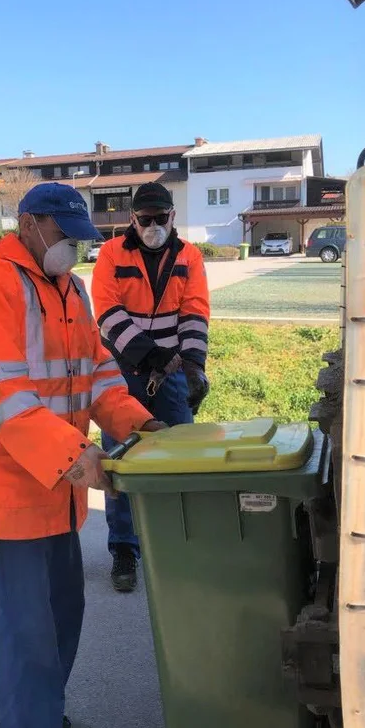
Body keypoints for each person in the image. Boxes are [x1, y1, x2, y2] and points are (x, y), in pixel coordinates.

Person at [0, 182, 163, 728]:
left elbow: (97, 373)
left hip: (57, 495)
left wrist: (138, 424)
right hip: (13, 492)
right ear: (29, 224)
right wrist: (78, 457)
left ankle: (46, 718)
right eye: (64, 233)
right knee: (29, 638)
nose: (73, 246)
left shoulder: (66, 291)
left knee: (64, 621)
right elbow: (5, 396)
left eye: (78, 236)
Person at [91, 182, 210, 592]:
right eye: (146, 219)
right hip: (123, 372)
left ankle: (182, 541)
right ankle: (124, 548)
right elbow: (107, 313)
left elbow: (194, 312)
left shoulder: (189, 256)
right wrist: (151, 356)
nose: (154, 225)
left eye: (162, 218)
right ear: (132, 219)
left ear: (173, 216)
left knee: (183, 456)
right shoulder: (110, 254)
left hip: (173, 373)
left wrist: (194, 366)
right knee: (122, 462)